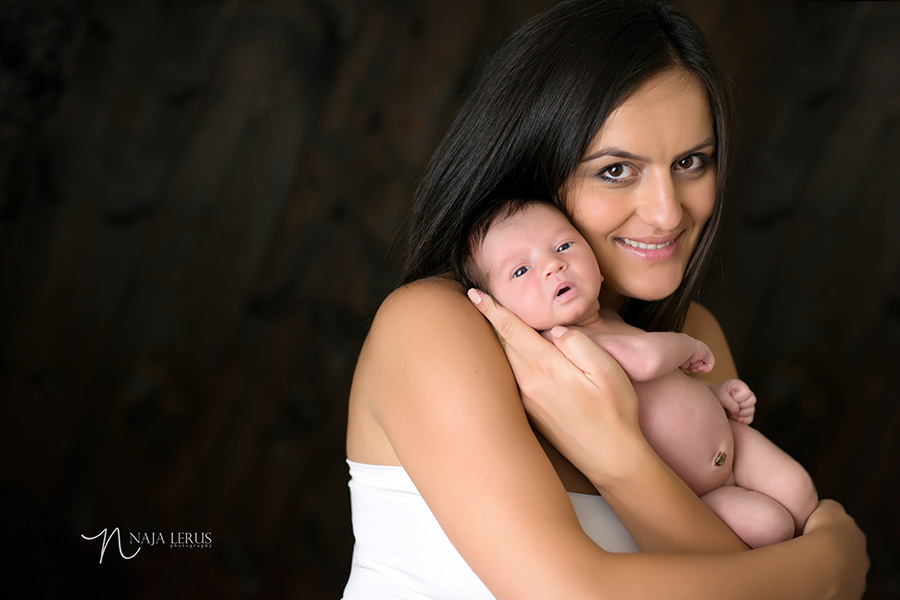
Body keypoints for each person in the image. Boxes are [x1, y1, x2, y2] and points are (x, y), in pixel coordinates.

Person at [344, 0, 868, 598]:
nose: (668, 212)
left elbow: (730, 570)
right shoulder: (435, 325)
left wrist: (621, 452)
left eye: (690, 162)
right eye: (616, 170)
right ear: (534, 171)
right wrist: (829, 568)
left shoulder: (694, 334)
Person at [459, 198, 818, 549]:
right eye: (521, 270)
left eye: (564, 246)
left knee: (800, 494)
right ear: (500, 310)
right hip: (695, 491)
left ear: (597, 266)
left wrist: (714, 392)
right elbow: (645, 362)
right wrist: (690, 346)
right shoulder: (569, 343)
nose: (553, 265)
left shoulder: (610, 321)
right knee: (772, 526)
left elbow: (663, 387)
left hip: (733, 444)